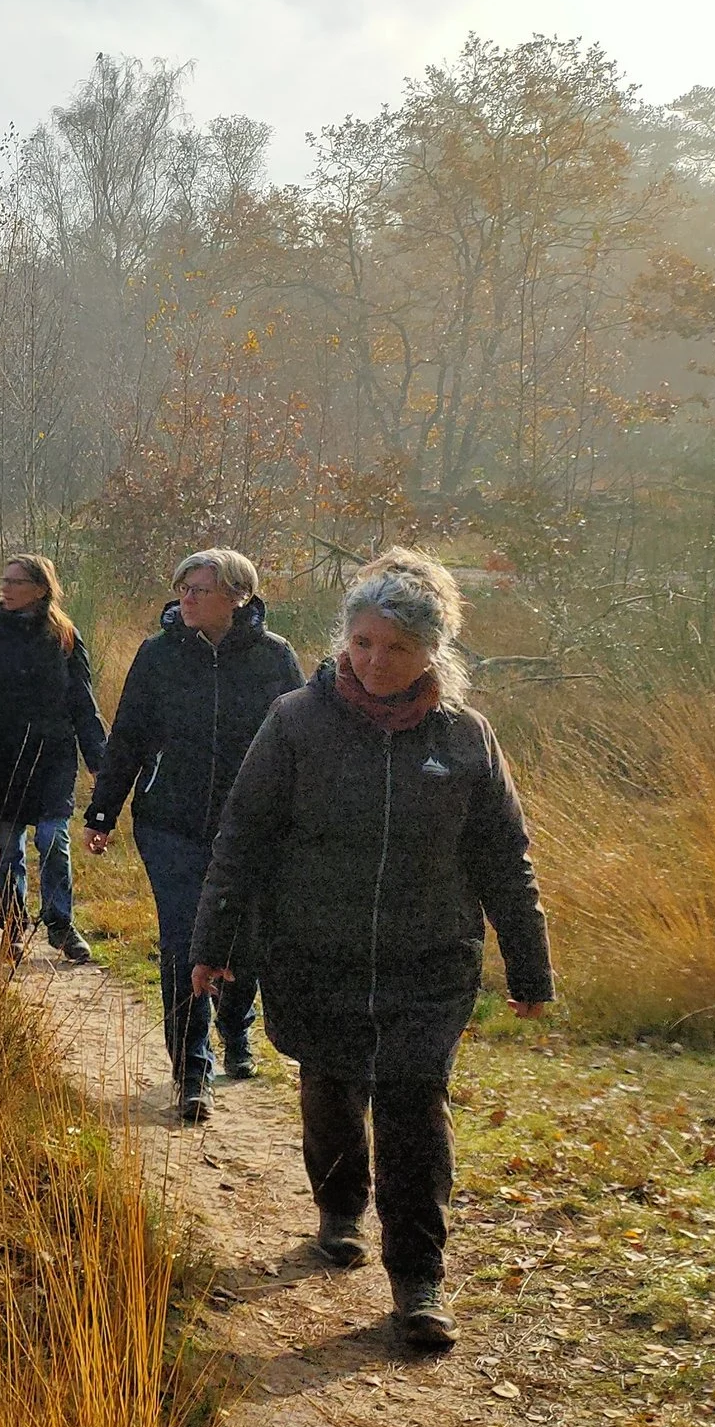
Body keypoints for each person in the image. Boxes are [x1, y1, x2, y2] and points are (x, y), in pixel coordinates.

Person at [190, 548, 552, 1353]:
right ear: (342, 639)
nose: (374, 661)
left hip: (431, 963)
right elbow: (242, 838)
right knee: (329, 1086)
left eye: (395, 646)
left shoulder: (465, 739)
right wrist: (211, 943)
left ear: (433, 651)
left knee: (415, 1109)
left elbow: (503, 856)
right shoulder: (296, 722)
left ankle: (418, 1278)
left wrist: (528, 965)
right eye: (361, 642)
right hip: (316, 954)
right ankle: (338, 1203)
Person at [84, 548, 303, 1125]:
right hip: (169, 825)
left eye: (198, 590)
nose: (184, 598)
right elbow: (128, 734)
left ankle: (236, 1029)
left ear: (237, 595)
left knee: (243, 939)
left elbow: (301, 748)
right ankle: (191, 1072)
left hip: (252, 828)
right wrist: (103, 812)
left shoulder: (275, 659)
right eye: (181, 587)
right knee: (185, 943)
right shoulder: (157, 656)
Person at [0, 553, 107, 964]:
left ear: (41, 588)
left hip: (53, 757)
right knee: (8, 849)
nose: (5, 588)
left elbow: (83, 704)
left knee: (53, 840)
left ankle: (60, 926)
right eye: (4, 580)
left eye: (16, 582)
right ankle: (13, 927)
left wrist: (98, 761)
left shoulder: (65, 637)